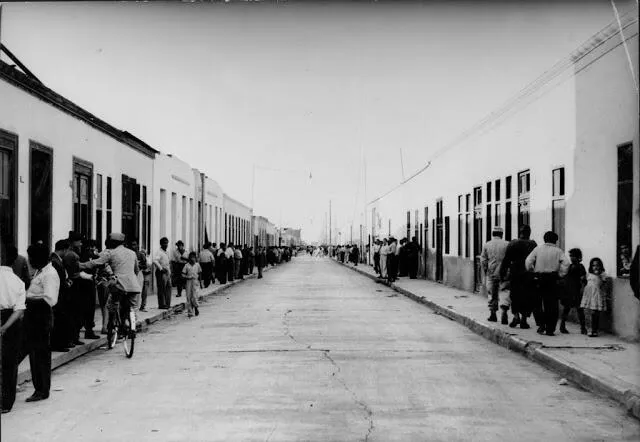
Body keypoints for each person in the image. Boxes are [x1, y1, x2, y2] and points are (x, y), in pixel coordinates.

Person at [81, 232, 140, 338]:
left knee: (111, 304)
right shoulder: (132, 253)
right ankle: (132, 327)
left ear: (112, 242)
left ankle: (111, 324)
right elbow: (136, 270)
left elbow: (96, 263)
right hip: (133, 286)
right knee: (133, 307)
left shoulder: (111, 253)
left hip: (119, 285)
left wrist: (81, 265)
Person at [21, 242, 60, 403]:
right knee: (34, 354)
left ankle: (42, 390)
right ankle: (40, 388)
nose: (29, 261)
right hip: (33, 315)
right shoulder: (40, 272)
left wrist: (27, 299)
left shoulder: (49, 274)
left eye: (31, 257)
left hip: (41, 315)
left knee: (40, 355)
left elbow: (50, 299)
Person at [525, 231, 569, 336]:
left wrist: (531, 270)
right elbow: (566, 263)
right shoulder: (558, 251)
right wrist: (561, 274)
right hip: (552, 279)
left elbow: (528, 261)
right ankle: (550, 329)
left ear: (544, 239)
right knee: (552, 304)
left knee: (537, 303)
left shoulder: (537, 249)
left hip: (539, 278)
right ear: (555, 240)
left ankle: (541, 325)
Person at [499, 225, 537, 329]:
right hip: (528, 273)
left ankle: (516, 316)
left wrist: (502, 273)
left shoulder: (513, 243)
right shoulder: (533, 244)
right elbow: (536, 260)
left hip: (515, 273)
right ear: (529, 233)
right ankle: (524, 319)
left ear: (519, 232)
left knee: (515, 296)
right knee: (527, 296)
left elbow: (506, 260)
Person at [1, 260, 26, 413]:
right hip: (11, 321)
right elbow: (19, 310)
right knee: (10, 362)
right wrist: (5, 327)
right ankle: (6, 403)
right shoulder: (18, 281)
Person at [481, 227, 509, 324]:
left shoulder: (487, 244)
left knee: (491, 293)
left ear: (492, 234)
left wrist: (485, 270)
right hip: (504, 272)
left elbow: (483, 260)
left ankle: (493, 314)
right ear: (502, 234)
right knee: (504, 291)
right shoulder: (507, 244)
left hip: (491, 272)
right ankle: (504, 311)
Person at [50, 240, 73, 351]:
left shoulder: (56, 260)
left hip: (60, 294)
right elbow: (59, 280)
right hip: (59, 295)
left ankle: (60, 343)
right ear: (64, 249)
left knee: (60, 319)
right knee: (59, 320)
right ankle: (58, 344)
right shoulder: (55, 261)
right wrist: (67, 283)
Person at [580, 257, 612, 337]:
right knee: (588, 313)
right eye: (593, 265)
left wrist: (600, 276)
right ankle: (589, 329)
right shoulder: (589, 274)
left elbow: (604, 285)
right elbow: (585, 282)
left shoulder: (602, 275)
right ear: (591, 267)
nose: (596, 267)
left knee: (595, 313)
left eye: (597, 265)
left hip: (597, 295)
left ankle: (594, 330)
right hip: (589, 295)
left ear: (600, 266)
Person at [559, 248, 587, 334]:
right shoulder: (570, 266)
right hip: (569, 290)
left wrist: (582, 289)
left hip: (576, 290)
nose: (571, 258)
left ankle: (583, 327)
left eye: (573, 256)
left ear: (578, 257)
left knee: (579, 309)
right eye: (571, 256)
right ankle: (562, 326)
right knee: (566, 309)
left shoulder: (581, 266)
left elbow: (583, 279)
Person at [95, 240, 114, 333]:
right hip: (109, 281)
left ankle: (105, 325)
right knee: (110, 304)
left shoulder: (100, 254)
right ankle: (106, 326)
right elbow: (108, 268)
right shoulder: (112, 254)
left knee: (104, 304)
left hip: (101, 282)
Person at [131, 240, 151, 312]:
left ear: (137, 246)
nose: (133, 247)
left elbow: (145, 265)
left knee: (140, 290)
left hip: (139, 273)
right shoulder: (129, 254)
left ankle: (141, 306)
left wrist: (139, 266)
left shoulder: (140, 255)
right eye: (132, 245)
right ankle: (134, 306)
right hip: (131, 274)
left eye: (134, 245)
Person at [153, 237, 172, 309]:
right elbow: (155, 261)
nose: (166, 244)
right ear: (161, 244)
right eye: (164, 243)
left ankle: (167, 304)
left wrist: (169, 272)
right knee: (161, 288)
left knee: (168, 287)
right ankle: (161, 304)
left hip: (167, 272)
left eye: (166, 243)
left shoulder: (166, 252)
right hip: (161, 272)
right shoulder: (159, 252)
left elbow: (168, 263)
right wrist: (161, 269)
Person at [182, 252, 201, 318]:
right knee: (189, 297)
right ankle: (190, 312)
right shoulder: (186, 265)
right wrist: (187, 277)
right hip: (188, 282)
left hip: (195, 282)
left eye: (194, 257)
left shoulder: (197, 265)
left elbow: (200, 273)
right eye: (191, 257)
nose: (192, 259)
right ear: (189, 258)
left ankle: (196, 307)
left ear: (195, 258)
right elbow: (183, 274)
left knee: (194, 296)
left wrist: (201, 283)